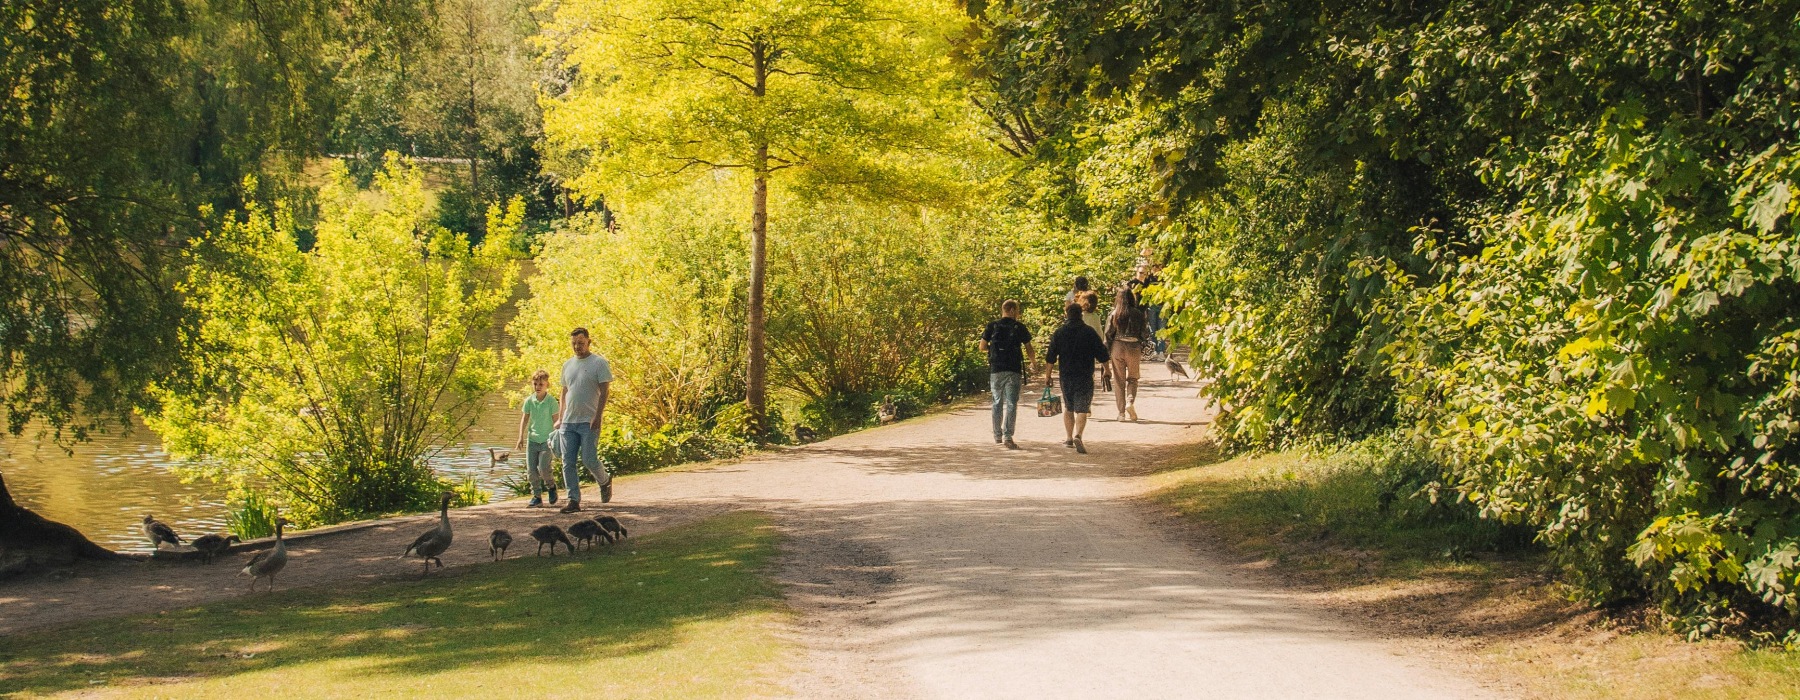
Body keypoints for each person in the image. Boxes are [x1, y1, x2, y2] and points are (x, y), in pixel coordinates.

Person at [555, 327, 613, 512]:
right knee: (567, 462)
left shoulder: (599, 363)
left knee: (589, 459)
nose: (577, 347)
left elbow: (604, 391)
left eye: (580, 343)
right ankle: (573, 500)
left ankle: (604, 481)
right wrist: (560, 417)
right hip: (568, 421)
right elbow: (564, 391)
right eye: (574, 343)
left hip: (589, 420)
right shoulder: (567, 365)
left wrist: (598, 415)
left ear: (589, 342)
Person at [1044, 302, 1109, 454]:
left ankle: (1068, 438)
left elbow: (1051, 356)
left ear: (1067, 315)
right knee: (1082, 408)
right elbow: (1102, 353)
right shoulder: (1089, 332)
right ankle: (1078, 435)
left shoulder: (1059, 332)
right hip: (1085, 375)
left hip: (1066, 375)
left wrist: (1048, 376)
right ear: (1081, 315)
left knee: (1069, 407)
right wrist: (1107, 370)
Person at [980, 299, 1036, 449]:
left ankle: (997, 435)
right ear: (1012, 310)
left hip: (996, 369)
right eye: (1017, 310)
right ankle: (1008, 436)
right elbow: (1029, 348)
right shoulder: (1019, 327)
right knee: (1011, 403)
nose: (1018, 313)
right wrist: (1033, 363)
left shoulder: (992, 326)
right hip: (1013, 369)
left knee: (997, 401)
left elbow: (982, 346)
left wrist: (993, 351)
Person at [515, 369, 560, 507]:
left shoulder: (551, 401)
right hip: (532, 440)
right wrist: (520, 436)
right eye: (535, 384)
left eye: (541, 384)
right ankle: (537, 496)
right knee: (531, 470)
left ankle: (551, 487)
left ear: (547, 385)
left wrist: (558, 438)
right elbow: (524, 419)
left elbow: (556, 421)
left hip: (547, 440)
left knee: (543, 468)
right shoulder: (529, 401)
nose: (537, 387)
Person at [1105, 286, 1149, 422]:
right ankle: (1130, 401)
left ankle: (1121, 413)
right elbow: (1145, 333)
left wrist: (1106, 354)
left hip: (1117, 347)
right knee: (1133, 378)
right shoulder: (1138, 314)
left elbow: (1108, 334)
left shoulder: (1114, 314)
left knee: (1119, 381)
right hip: (1134, 347)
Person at [1126, 262, 1167, 360]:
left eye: (1158, 266)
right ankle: (1152, 351)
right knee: (1152, 330)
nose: (1156, 268)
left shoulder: (1164, 279)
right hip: (1149, 307)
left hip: (1161, 307)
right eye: (1154, 266)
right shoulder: (1147, 280)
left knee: (1161, 329)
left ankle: (1160, 351)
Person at [1078, 291, 1108, 390]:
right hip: (1090, 348)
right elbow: (1099, 334)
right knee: (1089, 369)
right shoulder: (1095, 317)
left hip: (1078, 346)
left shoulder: (1079, 315)